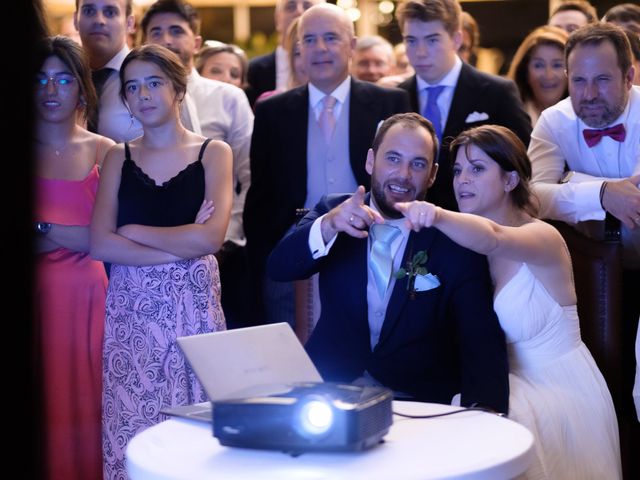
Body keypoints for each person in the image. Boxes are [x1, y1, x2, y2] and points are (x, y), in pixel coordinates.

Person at [395, 123, 621, 479]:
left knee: (476, 429)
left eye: (477, 168)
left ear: (510, 180)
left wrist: (435, 215)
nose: (462, 180)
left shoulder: (541, 237)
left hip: (558, 390)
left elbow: (495, 239)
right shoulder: (460, 247)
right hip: (499, 380)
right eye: (457, 170)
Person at [267, 113, 508, 412]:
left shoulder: (453, 237)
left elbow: (479, 339)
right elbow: (279, 268)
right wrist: (329, 225)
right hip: (329, 390)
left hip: (418, 399)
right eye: (392, 158)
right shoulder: (335, 210)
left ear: (432, 175)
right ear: (371, 161)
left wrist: (485, 414)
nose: (404, 174)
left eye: (417, 164)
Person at [90, 44, 232, 479]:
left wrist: (134, 233)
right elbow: (100, 244)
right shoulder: (117, 156)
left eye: (154, 83)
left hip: (195, 309)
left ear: (177, 90)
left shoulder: (215, 152)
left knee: (197, 429)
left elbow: (211, 237)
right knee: (133, 424)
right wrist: (179, 246)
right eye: (132, 87)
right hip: (132, 312)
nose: (144, 94)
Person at [244, 3, 410, 326]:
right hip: (294, 250)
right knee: (290, 352)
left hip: (371, 244)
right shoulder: (272, 112)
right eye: (309, 40)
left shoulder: (390, 102)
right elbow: (260, 196)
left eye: (331, 38)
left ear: (352, 45)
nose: (319, 48)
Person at [529, 22, 639, 477]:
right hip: (592, 281)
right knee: (604, 388)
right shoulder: (554, 121)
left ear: (630, 76)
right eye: (578, 80)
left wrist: (571, 184)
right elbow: (533, 195)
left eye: (602, 79)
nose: (588, 93)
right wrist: (601, 194)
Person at [141, 0, 254, 328]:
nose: (166, 39)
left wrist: (226, 234)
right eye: (156, 32)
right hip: (152, 250)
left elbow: (248, 175)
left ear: (196, 42)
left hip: (225, 249)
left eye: (176, 30)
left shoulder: (227, 97)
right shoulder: (137, 99)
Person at [34, 35, 115, 480]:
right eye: (40, 79)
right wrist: (79, 235)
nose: (50, 90)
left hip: (90, 300)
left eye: (63, 79)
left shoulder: (107, 151)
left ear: (82, 89)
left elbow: (104, 239)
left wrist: (43, 228)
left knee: (90, 404)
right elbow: (87, 236)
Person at [395, 0, 531, 211]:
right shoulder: (395, 97)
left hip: (481, 225)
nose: (420, 52)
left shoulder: (497, 92)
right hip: (412, 223)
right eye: (411, 41)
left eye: (432, 40)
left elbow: (523, 163)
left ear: (456, 39)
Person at [75, 0, 143, 141]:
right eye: (89, 11)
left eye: (110, 12)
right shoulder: (61, 79)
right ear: (76, 20)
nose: (99, 20)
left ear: (129, 23)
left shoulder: (158, 77)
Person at [245, 0, 324, 106]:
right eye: (290, 7)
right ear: (277, 20)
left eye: (307, 6)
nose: (299, 12)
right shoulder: (252, 71)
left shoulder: (333, 65)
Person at [507, 25, 569, 126]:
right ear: (525, 70)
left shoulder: (587, 118)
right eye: (539, 65)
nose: (548, 75)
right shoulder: (507, 116)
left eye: (557, 65)